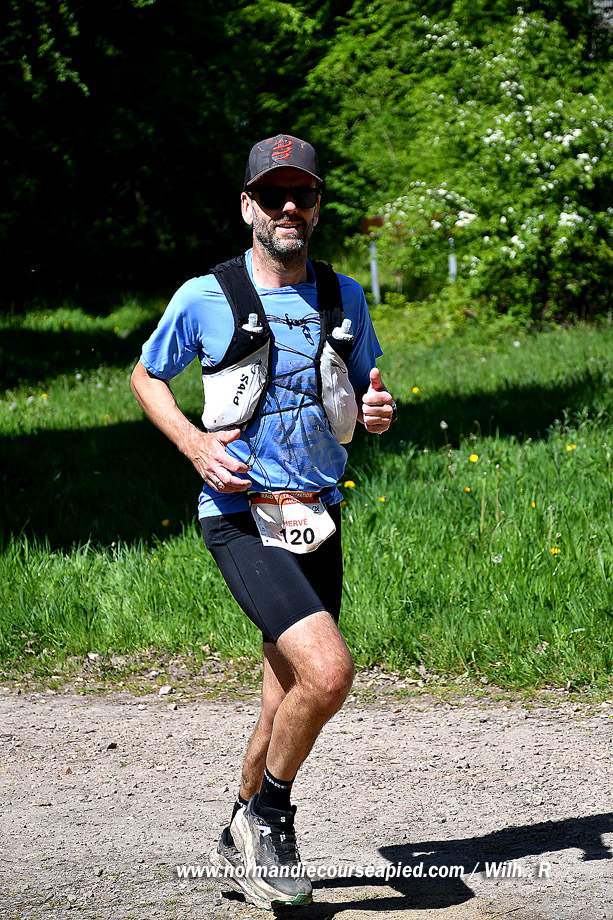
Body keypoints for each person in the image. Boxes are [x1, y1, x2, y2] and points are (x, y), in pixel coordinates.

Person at [130, 134, 396, 910]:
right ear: (247, 205)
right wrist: (194, 445)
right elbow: (146, 376)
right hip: (239, 517)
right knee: (329, 672)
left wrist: (377, 412)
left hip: (317, 515)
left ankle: (234, 835)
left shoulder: (345, 297)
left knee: (284, 699)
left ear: (316, 206)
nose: (288, 207)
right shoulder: (205, 295)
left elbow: (365, 395)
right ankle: (270, 821)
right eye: (273, 194)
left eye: (301, 194)